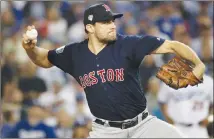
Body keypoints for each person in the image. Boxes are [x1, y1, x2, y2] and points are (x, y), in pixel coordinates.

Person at [22, 3, 205, 138]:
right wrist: (30, 49)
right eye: (105, 22)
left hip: (143, 125)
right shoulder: (74, 53)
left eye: (112, 20)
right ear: (90, 27)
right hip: (106, 131)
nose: (112, 25)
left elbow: (172, 46)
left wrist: (198, 64)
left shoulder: (129, 44)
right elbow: (44, 59)